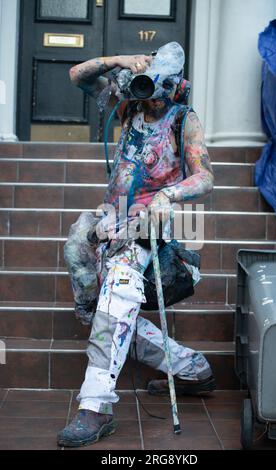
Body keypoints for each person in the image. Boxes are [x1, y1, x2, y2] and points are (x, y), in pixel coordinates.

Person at [57, 44, 215, 448]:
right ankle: (191, 367)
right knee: (79, 246)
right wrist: (117, 61)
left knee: (120, 288)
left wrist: (170, 195)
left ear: (175, 86)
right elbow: (78, 76)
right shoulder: (128, 105)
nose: (150, 96)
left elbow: (204, 178)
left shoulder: (184, 119)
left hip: (148, 223)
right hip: (110, 214)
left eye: (158, 88)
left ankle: (95, 406)